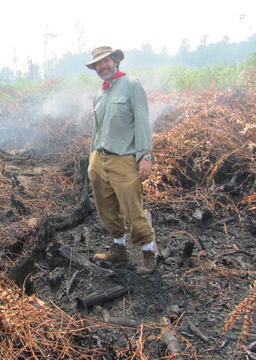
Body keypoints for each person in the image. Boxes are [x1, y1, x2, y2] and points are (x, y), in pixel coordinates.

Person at [85, 46, 156, 275]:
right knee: (105, 208)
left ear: (115, 61)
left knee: (132, 208)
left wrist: (145, 156)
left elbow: (143, 121)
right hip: (100, 159)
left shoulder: (132, 85)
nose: (102, 66)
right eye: (98, 64)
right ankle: (119, 249)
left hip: (124, 159)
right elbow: (95, 130)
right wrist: (91, 161)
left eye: (106, 62)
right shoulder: (100, 93)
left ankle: (148, 253)